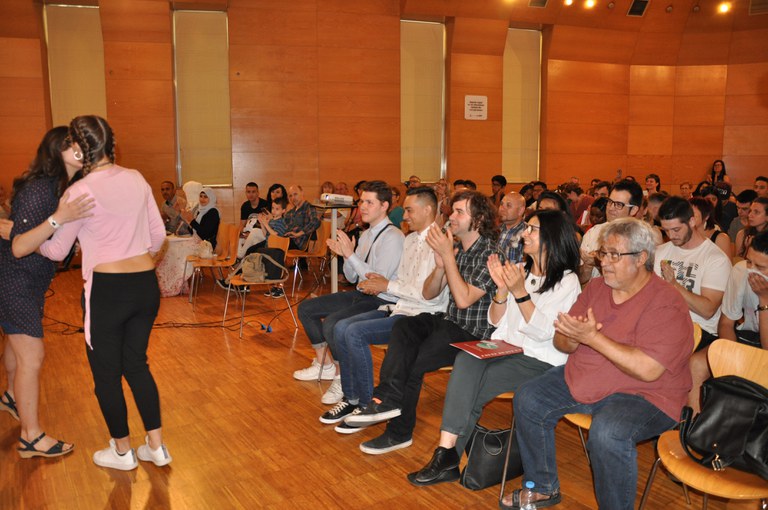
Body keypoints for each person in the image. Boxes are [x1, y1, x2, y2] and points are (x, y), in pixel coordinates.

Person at [506, 217, 693, 510]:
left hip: (646, 394)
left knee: (608, 434)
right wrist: (572, 337)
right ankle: (543, 488)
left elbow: (648, 370)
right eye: (603, 253)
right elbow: (561, 342)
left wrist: (592, 338)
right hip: (588, 377)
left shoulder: (666, 302)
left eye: (614, 255)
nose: (604, 262)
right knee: (529, 397)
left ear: (641, 258)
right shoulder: (596, 287)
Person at [407, 210, 581, 486]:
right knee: (465, 359)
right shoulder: (521, 271)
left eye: (532, 229)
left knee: (470, 388)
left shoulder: (567, 281)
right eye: (526, 227)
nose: (525, 233)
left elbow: (545, 333)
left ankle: (446, 457)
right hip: (506, 349)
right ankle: (446, 455)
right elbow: (495, 320)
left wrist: (519, 292)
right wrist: (501, 290)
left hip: (539, 360)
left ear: (551, 237)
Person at [37, 115, 172, 470]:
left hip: (108, 292)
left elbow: (56, 251)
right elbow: (158, 236)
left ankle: (123, 452)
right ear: (111, 143)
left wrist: (28, 240)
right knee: (137, 365)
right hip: (145, 285)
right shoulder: (136, 178)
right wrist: (134, 253)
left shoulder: (79, 192)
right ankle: (156, 447)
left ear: (78, 149)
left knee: (106, 374)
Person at [345, 190, 497, 455]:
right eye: (453, 210)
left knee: (413, 363)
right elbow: (429, 293)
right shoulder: (457, 248)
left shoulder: (490, 253)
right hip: (448, 321)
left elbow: (463, 300)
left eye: (459, 212)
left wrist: (447, 258)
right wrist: (440, 267)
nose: (451, 216)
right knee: (405, 325)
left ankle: (398, 433)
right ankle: (386, 398)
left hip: (473, 333)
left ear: (479, 219)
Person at [319, 186, 448, 429]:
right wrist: (382, 282)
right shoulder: (410, 239)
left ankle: (366, 403)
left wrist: (387, 284)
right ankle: (352, 398)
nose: (404, 216)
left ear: (427, 210)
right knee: (340, 328)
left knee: (353, 332)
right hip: (400, 307)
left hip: (422, 316)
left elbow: (428, 296)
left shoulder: (440, 243)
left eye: (409, 210)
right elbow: (402, 282)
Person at [0, 126, 92, 458]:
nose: (81, 148)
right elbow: (19, 246)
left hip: (28, 282)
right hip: (15, 281)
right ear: (57, 149)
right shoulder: (40, 189)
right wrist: (58, 219)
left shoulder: (60, 188)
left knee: (17, 344)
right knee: (32, 355)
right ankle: (31, 436)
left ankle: (12, 396)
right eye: (74, 144)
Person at [294, 181, 404, 401]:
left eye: (369, 202)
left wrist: (350, 255)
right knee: (307, 308)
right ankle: (325, 365)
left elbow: (376, 283)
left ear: (384, 206)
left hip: (381, 300)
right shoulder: (366, 234)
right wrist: (346, 256)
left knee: (333, 324)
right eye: (361, 201)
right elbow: (352, 277)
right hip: (362, 294)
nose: (362, 206)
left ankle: (341, 377)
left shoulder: (393, 237)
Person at [687, 231, 768, 413]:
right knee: (697, 364)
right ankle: (694, 425)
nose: (751, 270)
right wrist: (732, 356)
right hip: (745, 338)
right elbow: (725, 324)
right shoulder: (740, 271)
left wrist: (764, 299)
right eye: (749, 261)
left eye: (760, 267)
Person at [655, 196, 731, 350]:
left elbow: (707, 310)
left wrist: (674, 285)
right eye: (666, 230)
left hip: (700, 330)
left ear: (691, 221)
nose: (671, 236)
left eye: (676, 229)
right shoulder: (660, 251)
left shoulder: (715, 259)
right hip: (662, 324)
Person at [579, 179, 660, 284]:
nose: (611, 208)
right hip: (595, 292)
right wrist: (587, 266)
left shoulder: (644, 239)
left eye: (618, 204)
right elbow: (581, 279)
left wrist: (598, 262)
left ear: (634, 210)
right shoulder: (593, 232)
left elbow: (637, 281)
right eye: (610, 202)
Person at [497, 192, 527, 265]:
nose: (502, 209)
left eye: (508, 205)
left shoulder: (527, 233)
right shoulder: (495, 229)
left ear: (520, 211)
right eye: (501, 204)